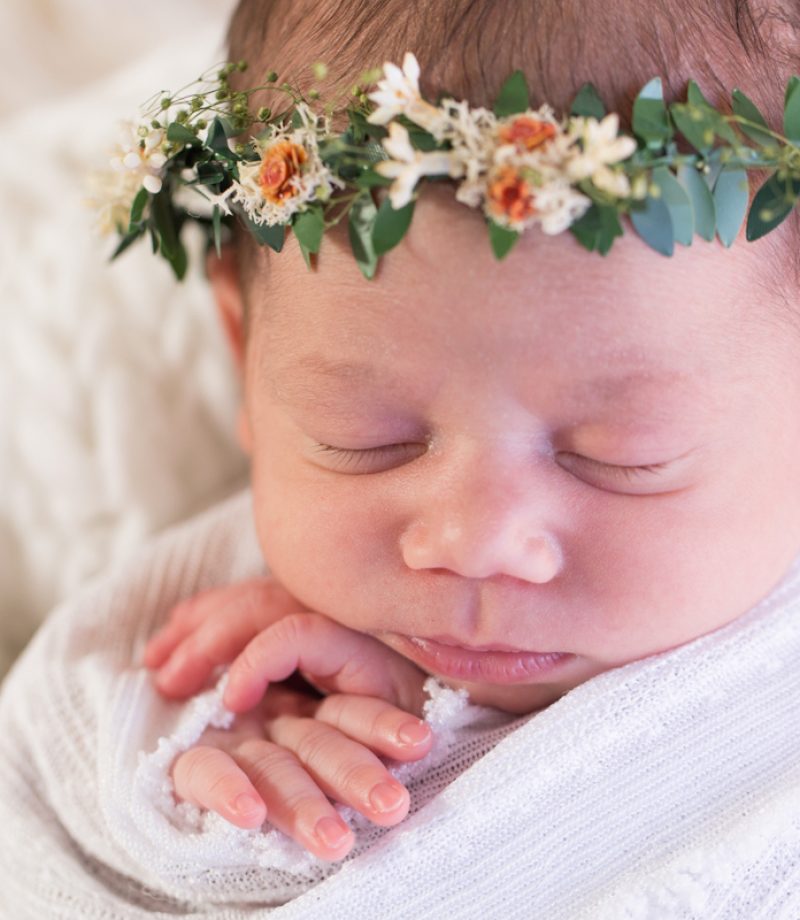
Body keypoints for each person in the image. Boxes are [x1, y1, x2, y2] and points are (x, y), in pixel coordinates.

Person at [1, 0, 800, 916]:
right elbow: (37, 822)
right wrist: (217, 800)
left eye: (619, 457)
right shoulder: (209, 652)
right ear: (244, 359)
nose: (471, 540)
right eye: (365, 440)